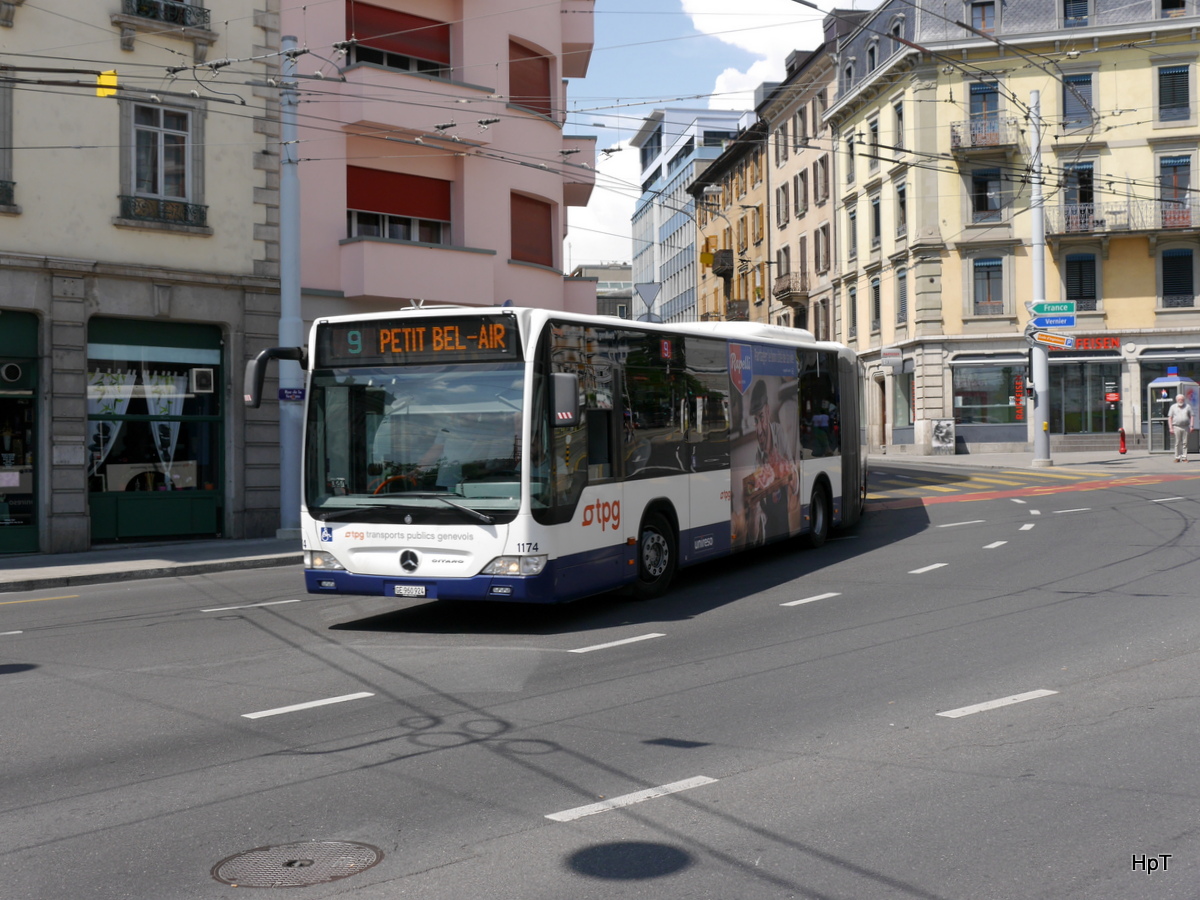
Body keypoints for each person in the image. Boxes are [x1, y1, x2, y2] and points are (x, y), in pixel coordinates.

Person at [745, 379, 799, 545]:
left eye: (761, 417)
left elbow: (795, 485)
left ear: (767, 411)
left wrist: (784, 466)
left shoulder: (779, 433)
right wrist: (754, 510)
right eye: (755, 421)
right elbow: (753, 538)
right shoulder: (755, 460)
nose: (759, 429)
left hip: (785, 528)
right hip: (769, 537)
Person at [1168, 393, 1193, 462]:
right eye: (1179, 399)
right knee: (1177, 442)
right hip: (1176, 427)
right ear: (1176, 400)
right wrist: (1171, 428)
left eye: (1182, 399)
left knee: (1185, 443)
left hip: (1185, 426)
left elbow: (1192, 416)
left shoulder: (1188, 406)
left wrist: (1191, 426)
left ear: (1184, 400)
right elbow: (1170, 417)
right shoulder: (1173, 407)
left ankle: (1184, 457)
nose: (1180, 400)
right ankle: (1177, 457)